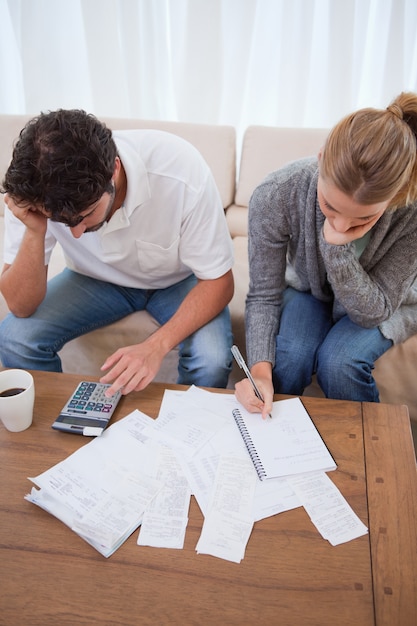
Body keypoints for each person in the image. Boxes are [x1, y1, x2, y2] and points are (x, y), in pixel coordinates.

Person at [0, 109, 234, 396]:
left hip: (179, 283)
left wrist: (155, 346)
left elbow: (220, 282)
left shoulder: (180, 170)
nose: (75, 233)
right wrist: (36, 231)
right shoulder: (33, 189)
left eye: (84, 215)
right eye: (62, 221)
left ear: (114, 169)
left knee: (211, 361)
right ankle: (59, 428)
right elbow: (20, 306)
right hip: (92, 280)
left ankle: (186, 432)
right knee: (15, 338)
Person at [235, 92, 417, 419]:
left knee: (339, 363)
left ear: (395, 196)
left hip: (391, 302)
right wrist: (259, 371)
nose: (342, 224)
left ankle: (372, 453)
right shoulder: (276, 193)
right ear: (320, 158)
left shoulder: (411, 214)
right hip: (311, 291)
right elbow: (263, 293)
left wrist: (336, 246)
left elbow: (372, 312)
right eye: (330, 206)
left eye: (363, 219)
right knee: (289, 357)